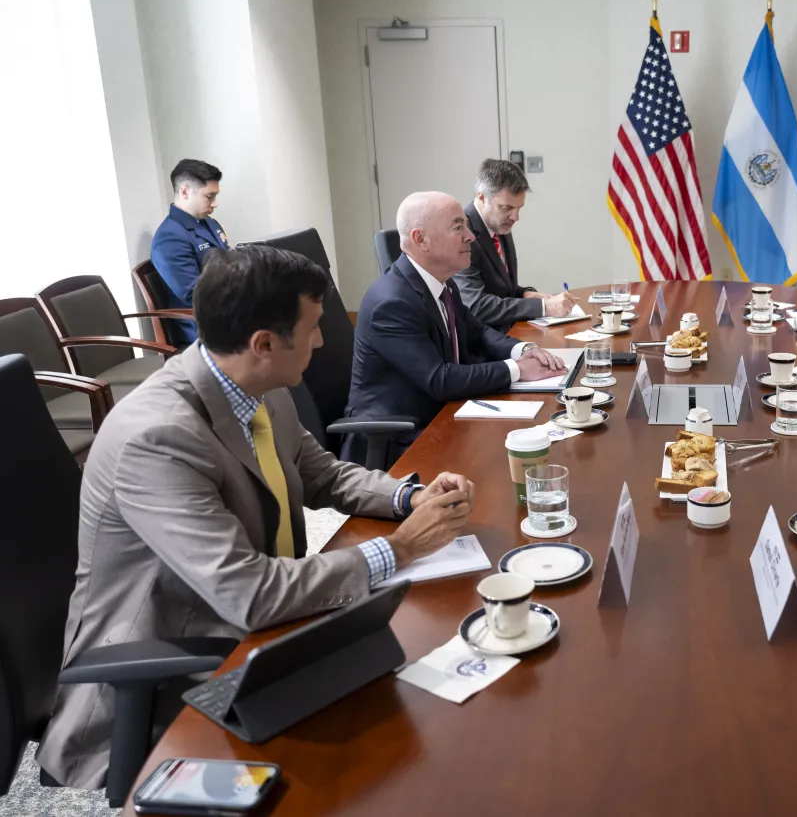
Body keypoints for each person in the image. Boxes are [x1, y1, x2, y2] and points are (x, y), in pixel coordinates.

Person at [37, 245, 475, 790]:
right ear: (264, 343)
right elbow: (250, 594)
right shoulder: (157, 438)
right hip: (178, 663)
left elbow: (325, 475)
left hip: (260, 627)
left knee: (409, 708)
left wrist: (410, 499)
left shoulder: (255, 383)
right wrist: (400, 548)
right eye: (313, 327)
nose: (322, 340)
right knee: (384, 758)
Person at [345, 191, 567, 465]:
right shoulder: (391, 304)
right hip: (400, 442)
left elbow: (478, 332)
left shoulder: (444, 282)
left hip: (444, 415)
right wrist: (518, 369)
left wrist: (524, 349)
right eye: (458, 227)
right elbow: (440, 380)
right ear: (420, 239)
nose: (471, 236)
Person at [455, 159, 577, 330]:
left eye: (519, 208)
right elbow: (476, 305)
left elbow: (500, 289)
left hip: (508, 332)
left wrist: (524, 294)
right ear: (482, 197)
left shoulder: (499, 224)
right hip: (481, 344)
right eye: (507, 207)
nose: (515, 217)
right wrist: (543, 307)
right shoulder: (463, 233)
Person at [150, 159, 231, 345]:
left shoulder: (209, 223)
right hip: (204, 325)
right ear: (185, 192)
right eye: (209, 197)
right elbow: (195, 294)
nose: (215, 204)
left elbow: (229, 263)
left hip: (226, 310)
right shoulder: (169, 237)